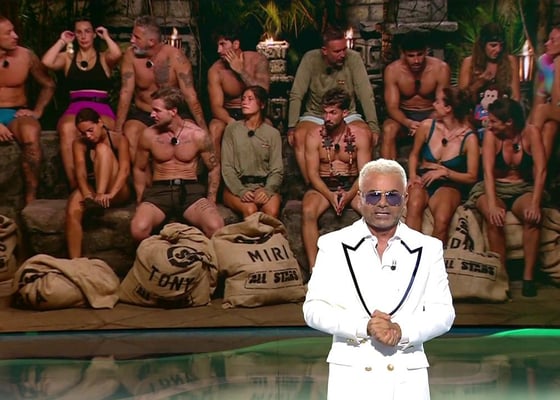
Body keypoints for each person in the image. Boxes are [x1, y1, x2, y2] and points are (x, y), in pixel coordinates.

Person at [303, 158, 455, 400]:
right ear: (360, 198)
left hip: (406, 377)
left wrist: (401, 331)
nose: (383, 203)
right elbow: (313, 310)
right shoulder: (333, 245)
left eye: (392, 196)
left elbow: (444, 313)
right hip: (352, 376)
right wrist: (363, 326)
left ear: (405, 199)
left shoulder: (428, 248)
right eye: (374, 196)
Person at [464, 98, 547, 297]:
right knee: (494, 218)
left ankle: (528, 278)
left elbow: (541, 170)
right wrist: (493, 205)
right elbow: (488, 172)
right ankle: (502, 278)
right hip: (495, 187)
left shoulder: (531, 133)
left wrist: (535, 204)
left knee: (532, 218)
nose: (488, 124)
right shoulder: (491, 136)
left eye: (493, 121)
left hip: (522, 188)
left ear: (509, 122)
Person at [288, 25, 380, 184]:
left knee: (365, 133)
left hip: (347, 113)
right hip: (316, 114)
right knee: (299, 136)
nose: (342, 54)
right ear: (325, 51)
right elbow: (297, 94)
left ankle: (358, 185)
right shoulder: (310, 59)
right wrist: (291, 126)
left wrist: (373, 126)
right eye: (337, 51)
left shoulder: (353, 59)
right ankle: (312, 185)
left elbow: (366, 94)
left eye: (344, 49)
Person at [130, 87, 223, 241]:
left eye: (157, 110)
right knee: (138, 229)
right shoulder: (149, 135)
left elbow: (214, 168)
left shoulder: (197, 135)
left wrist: (211, 199)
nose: (152, 114)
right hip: (159, 191)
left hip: (190, 191)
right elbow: (139, 168)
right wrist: (140, 199)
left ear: (173, 111)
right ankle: (156, 256)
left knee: (215, 226)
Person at [42, 19, 122, 189]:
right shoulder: (68, 57)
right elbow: (47, 62)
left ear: (94, 34)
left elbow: (117, 54)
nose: (83, 36)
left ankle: (103, 183)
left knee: (103, 129)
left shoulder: (103, 57)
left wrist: (106, 37)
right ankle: (75, 185)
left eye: (87, 31)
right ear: (74, 35)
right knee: (67, 128)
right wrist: (62, 41)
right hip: (75, 106)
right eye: (79, 32)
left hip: (100, 106)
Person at [115, 15, 207, 163]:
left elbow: (190, 95)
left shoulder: (176, 57)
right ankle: (144, 177)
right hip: (144, 114)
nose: (131, 40)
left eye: (136, 37)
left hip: (174, 113)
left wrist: (204, 129)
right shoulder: (130, 57)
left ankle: (180, 175)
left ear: (151, 41)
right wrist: (118, 130)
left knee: (191, 134)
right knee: (131, 133)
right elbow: (125, 93)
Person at [302, 88, 372, 270]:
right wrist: (330, 195)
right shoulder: (313, 136)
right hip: (323, 186)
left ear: (345, 113)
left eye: (333, 113)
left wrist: (349, 195)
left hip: (353, 184)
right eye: (325, 112)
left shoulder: (361, 135)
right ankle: (315, 270)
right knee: (308, 211)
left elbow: (365, 173)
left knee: (372, 210)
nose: (327, 118)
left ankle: (373, 267)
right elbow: (312, 174)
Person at [406, 87, 479, 244]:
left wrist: (446, 172)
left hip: (449, 184)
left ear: (448, 108)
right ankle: (409, 253)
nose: (433, 104)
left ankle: (434, 258)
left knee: (442, 218)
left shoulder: (469, 139)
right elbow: (414, 154)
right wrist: (412, 175)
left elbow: (472, 176)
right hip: (423, 178)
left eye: (438, 102)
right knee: (414, 203)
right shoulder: (427, 126)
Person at [0, 16, 56, 204]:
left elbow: (48, 84)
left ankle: (31, 198)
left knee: (31, 135)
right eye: (8, 33)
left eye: (14, 30)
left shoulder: (26, 56)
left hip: (15, 112)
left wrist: (37, 111)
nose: (15, 36)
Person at [65, 108, 131, 258]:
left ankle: (100, 197)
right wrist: (88, 196)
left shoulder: (119, 139)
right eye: (83, 133)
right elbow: (81, 173)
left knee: (102, 149)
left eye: (90, 130)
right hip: (92, 188)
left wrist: (109, 194)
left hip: (116, 189)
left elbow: (125, 170)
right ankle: (75, 261)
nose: (88, 136)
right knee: (72, 209)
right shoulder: (79, 144)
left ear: (100, 122)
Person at [381, 32, 450, 160]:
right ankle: (389, 170)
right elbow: (392, 107)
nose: (417, 60)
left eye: (420, 54)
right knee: (389, 129)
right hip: (403, 115)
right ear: (403, 54)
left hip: (432, 113)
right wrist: (408, 122)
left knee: (450, 126)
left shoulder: (441, 68)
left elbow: (442, 104)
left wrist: (425, 124)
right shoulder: (392, 70)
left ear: (426, 51)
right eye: (411, 56)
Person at [207, 28, 270, 159]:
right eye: (217, 45)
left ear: (236, 44)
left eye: (223, 44)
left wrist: (241, 71)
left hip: (255, 112)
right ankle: (216, 169)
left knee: (268, 126)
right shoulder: (215, 70)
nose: (218, 50)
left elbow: (263, 92)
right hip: (229, 113)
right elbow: (216, 106)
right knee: (214, 128)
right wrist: (231, 122)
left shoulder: (258, 60)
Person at [221, 85, 283, 218]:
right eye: (243, 99)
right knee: (250, 209)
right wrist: (240, 190)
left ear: (262, 104)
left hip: (262, 185)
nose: (244, 102)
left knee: (272, 211)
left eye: (250, 99)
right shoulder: (232, 130)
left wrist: (267, 190)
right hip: (237, 186)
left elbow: (277, 169)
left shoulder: (272, 134)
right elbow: (227, 167)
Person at [458, 22, 520, 136]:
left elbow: (515, 97)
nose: (498, 50)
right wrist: (479, 83)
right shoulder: (469, 63)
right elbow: (460, 99)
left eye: (501, 45)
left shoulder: (511, 61)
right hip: (476, 118)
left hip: (501, 119)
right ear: (483, 44)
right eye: (493, 45)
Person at [528, 26, 560, 161]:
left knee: (542, 110)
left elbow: (557, 101)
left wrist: (558, 65)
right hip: (555, 111)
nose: (547, 44)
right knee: (549, 128)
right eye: (548, 39)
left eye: (553, 40)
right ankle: (539, 171)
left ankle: (526, 149)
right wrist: (527, 124)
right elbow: (540, 96)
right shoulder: (546, 62)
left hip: (555, 107)